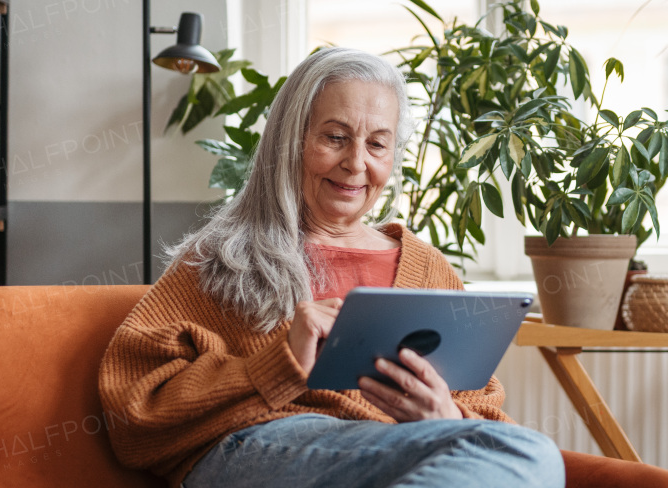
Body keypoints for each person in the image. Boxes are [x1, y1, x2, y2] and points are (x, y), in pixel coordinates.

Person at [99, 47, 564, 488]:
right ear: (291, 141)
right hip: (255, 445)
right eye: (335, 137)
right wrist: (277, 363)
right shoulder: (223, 256)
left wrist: (447, 418)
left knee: (530, 452)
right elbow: (133, 414)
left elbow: (483, 411)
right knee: (529, 456)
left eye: (377, 144)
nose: (356, 163)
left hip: (396, 455)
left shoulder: (428, 267)